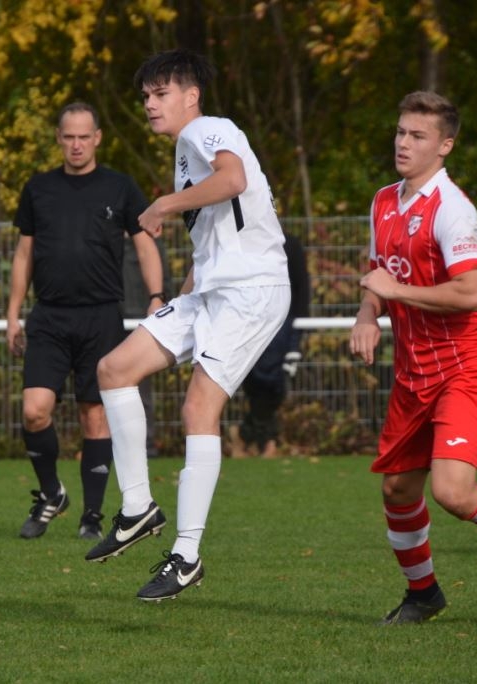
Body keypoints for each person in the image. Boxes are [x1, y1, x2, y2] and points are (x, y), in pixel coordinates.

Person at [86, 49, 290, 602]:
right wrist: (183, 295)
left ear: (191, 96)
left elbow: (233, 179)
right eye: (145, 97)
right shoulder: (186, 149)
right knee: (114, 369)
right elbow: (217, 233)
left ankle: (187, 555)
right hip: (211, 292)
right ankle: (137, 508)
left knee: (198, 408)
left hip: (251, 290)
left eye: (161, 94)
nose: (150, 104)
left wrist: (163, 204)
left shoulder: (208, 129)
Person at [348, 91, 477, 625]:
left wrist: (394, 291)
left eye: (418, 136)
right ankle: (424, 594)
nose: (403, 143)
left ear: (445, 146)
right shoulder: (383, 201)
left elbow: (471, 293)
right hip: (413, 373)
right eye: (400, 131)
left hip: (465, 366)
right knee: (397, 488)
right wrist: (368, 314)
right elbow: (378, 274)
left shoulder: (453, 209)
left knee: (452, 493)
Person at [6, 101, 164, 541]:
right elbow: (24, 254)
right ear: (59, 139)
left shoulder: (120, 186)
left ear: (97, 138)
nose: (76, 145)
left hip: (101, 317)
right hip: (49, 317)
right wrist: (12, 315)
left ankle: (91, 517)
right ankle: (51, 494)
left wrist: (156, 296)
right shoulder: (38, 188)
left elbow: (145, 245)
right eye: (69, 137)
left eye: (84, 137)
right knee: (34, 411)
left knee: (95, 417)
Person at [232, 231, 310, 458]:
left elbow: (301, 287)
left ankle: (249, 436)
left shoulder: (289, 243)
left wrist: (298, 331)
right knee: (255, 384)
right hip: (249, 322)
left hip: (282, 326)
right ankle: (263, 440)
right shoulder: (242, 243)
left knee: (275, 384)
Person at [121, 232, 169, 458]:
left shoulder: (150, 244)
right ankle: (112, 443)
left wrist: (161, 308)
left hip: (140, 321)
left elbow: (164, 281)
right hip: (110, 319)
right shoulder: (105, 238)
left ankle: (146, 445)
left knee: (140, 390)